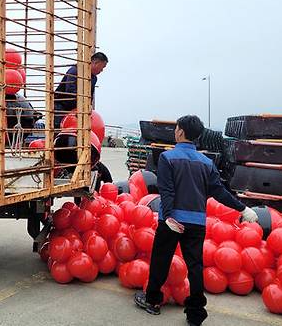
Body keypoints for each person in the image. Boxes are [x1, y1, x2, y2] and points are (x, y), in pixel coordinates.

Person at [134, 115, 259, 326]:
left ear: (181, 132)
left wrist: (171, 216)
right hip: (197, 223)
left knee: (160, 260)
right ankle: (196, 313)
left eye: (176, 128)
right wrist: (243, 208)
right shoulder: (206, 162)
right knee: (195, 266)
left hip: (172, 221)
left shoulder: (167, 158)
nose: (175, 131)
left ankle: (152, 300)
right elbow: (219, 191)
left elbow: (167, 191)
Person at [53, 52, 108, 129]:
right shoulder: (74, 71)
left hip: (76, 109)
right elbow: (70, 91)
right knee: (59, 129)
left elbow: (90, 95)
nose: (102, 70)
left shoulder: (93, 78)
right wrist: (81, 105)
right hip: (61, 105)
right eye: (102, 67)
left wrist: (88, 106)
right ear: (95, 62)